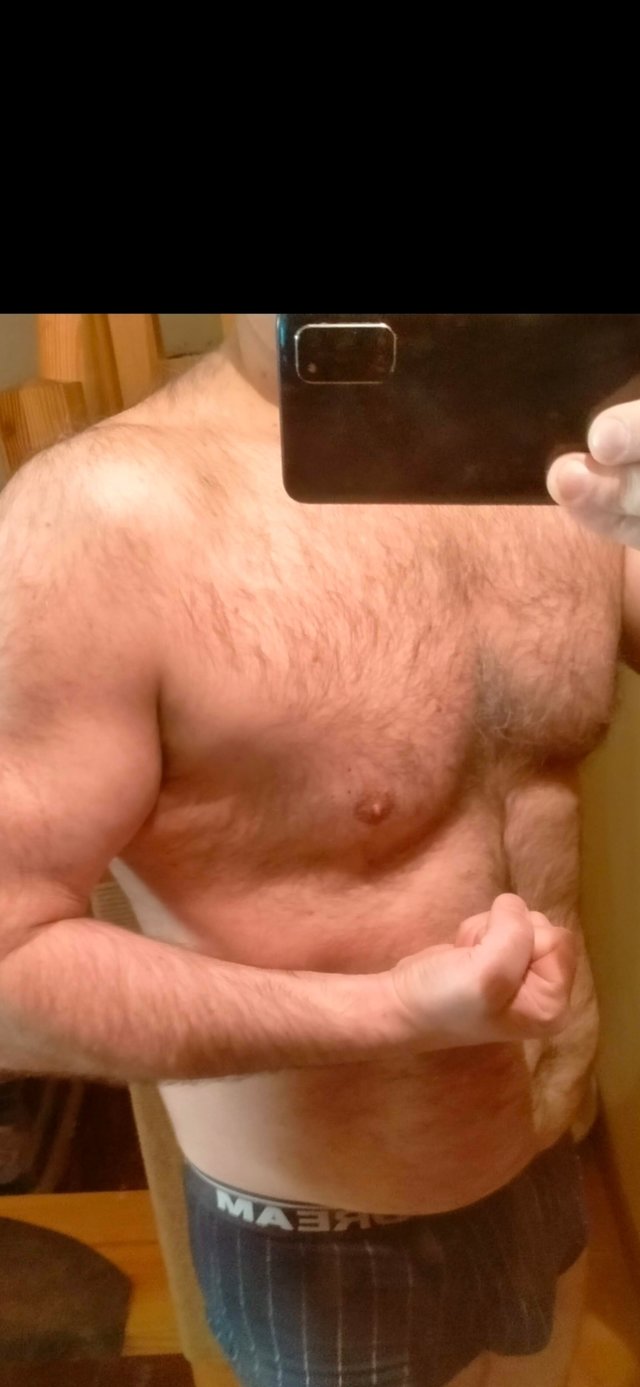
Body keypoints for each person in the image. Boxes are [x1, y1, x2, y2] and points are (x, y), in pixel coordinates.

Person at [1, 314, 639, 1386]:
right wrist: (393, 1014)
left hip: (546, 1151)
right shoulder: (100, 524)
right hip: (326, 1240)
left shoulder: (547, 453)